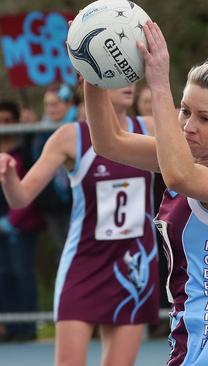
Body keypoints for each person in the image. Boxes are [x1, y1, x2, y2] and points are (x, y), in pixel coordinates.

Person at [82, 22, 208, 365]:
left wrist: (158, 84)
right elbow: (108, 142)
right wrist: (94, 70)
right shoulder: (186, 162)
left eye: (204, 118)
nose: (188, 126)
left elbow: (177, 175)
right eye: (185, 111)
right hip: (192, 337)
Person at [0, 84, 159, 365]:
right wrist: (9, 176)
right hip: (85, 264)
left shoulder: (149, 127)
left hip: (134, 265)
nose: (129, 84)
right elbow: (21, 198)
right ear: (93, 81)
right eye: (118, 75)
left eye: (131, 75)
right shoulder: (70, 137)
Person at [0, 100, 45, 342]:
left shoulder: (25, 147)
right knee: (3, 274)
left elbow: (30, 187)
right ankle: (8, 326)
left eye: (8, 121)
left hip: (21, 225)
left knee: (21, 273)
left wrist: (11, 222)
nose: (3, 125)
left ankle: (27, 326)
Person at [33, 84, 81, 258]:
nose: (50, 109)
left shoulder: (81, 125)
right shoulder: (41, 130)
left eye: (56, 103)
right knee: (63, 251)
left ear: (69, 104)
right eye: (48, 104)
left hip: (77, 199)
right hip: (51, 203)